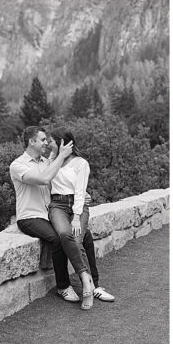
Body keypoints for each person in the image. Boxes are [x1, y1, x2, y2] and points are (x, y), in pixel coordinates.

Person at [10, 126, 94, 310]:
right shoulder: (18, 165)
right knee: (58, 239)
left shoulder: (46, 161)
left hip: (49, 213)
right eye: (42, 140)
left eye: (47, 140)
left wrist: (82, 195)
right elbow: (43, 179)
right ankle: (63, 286)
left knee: (85, 235)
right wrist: (61, 156)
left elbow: (62, 182)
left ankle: (94, 282)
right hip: (30, 216)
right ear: (31, 142)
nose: (46, 143)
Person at [47, 130, 115, 309]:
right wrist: (55, 155)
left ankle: (93, 286)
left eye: (51, 141)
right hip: (57, 205)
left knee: (78, 238)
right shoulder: (51, 162)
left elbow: (80, 191)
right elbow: (43, 178)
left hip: (77, 206)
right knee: (64, 233)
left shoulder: (80, 163)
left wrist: (77, 217)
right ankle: (88, 283)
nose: (48, 144)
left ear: (63, 143)